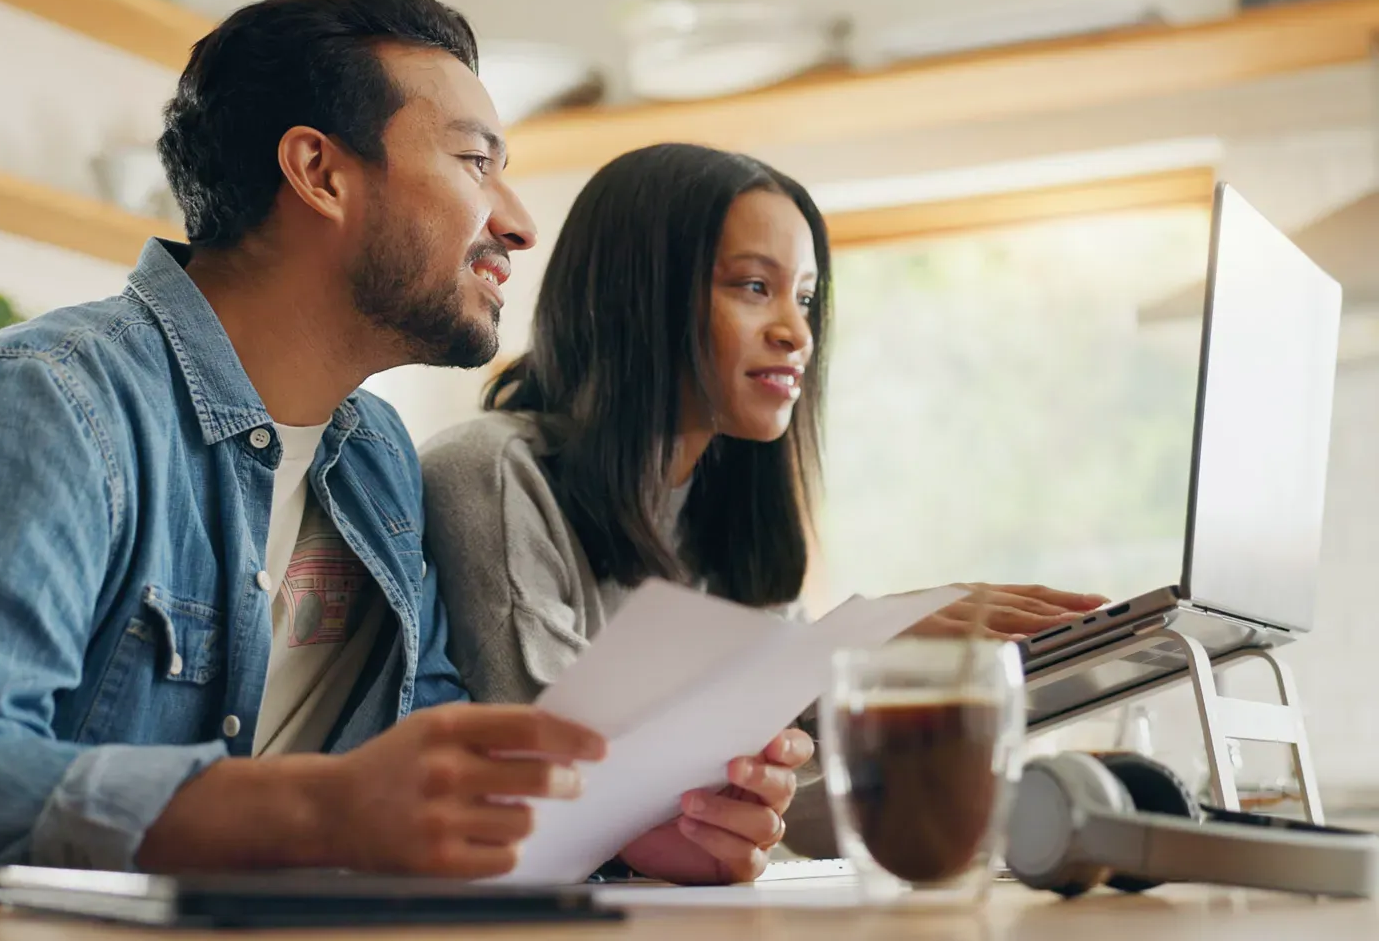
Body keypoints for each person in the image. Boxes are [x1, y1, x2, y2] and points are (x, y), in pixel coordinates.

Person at [0, 0, 808, 904]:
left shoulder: (377, 462)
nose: (519, 224)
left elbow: (428, 766)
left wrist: (620, 830)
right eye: (476, 162)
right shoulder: (41, 406)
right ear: (319, 173)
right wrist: (313, 812)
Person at [420, 143, 1108, 858]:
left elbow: (797, 820)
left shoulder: (730, 523)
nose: (797, 332)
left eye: (805, 298)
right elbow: (561, 765)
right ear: (635, 294)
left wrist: (922, 706)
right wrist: (843, 651)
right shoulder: (490, 471)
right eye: (754, 287)